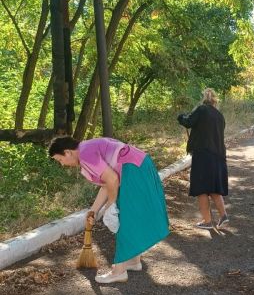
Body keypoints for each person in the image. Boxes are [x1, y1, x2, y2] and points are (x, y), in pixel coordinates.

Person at [48, 136, 169, 283]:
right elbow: (107, 183)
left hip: (133, 168)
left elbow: (112, 180)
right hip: (137, 165)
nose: (62, 164)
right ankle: (133, 261)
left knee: (124, 217)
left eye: (60, 160)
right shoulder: (86, 148)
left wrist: (111, 207)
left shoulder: (85, 154)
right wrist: (93, 210)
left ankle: (118, 272)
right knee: (128, 216)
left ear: (67, 152)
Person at [177, 88, 229, 229]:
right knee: (213, 188)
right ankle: (223, 216)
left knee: (201, 189)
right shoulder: (220, 116)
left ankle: (207, 222)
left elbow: (188, 122)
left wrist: (181, 117)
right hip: (218, 156)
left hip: (203, 155)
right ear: (214, 101)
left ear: (203, 99)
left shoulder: (201, 110)